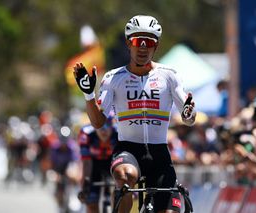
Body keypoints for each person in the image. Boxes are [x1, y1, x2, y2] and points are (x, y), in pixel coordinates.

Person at [73, 15, 196, 213]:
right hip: (128, 151)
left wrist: (190, 114)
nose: (143, 47)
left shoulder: (169, 75)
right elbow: (97, 122)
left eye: (149, 42)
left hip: (159, 155)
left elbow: (189, 119)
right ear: (129, 43)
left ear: (156, 46)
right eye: (138, 41)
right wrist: (89, 94)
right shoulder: (114, 78)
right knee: (125, 176)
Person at [77, 117, 118, 213]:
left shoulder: (119, 133)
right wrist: (85, 186)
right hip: (93, 164)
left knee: (118, 198)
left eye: (108, 126)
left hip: (112, 162)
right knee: (91, 202)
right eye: (100, 127)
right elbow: (86, 162)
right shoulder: (85, 133)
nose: (104, 131)